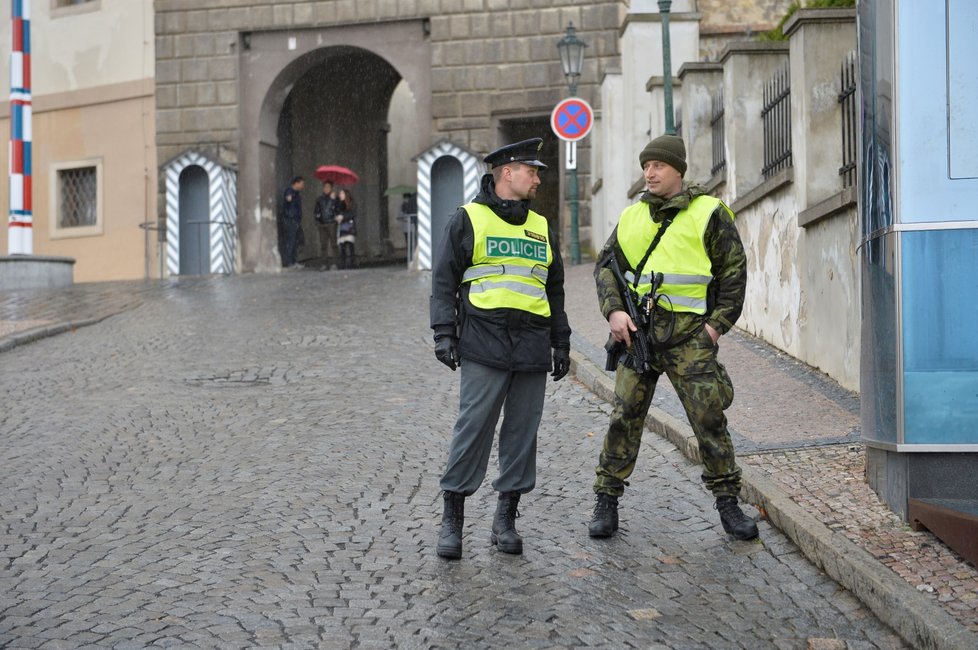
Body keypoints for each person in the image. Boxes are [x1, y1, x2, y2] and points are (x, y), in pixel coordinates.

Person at [588, 134, 759, 541]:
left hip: (689, 339)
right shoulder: (631, 217)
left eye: (659, 165)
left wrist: (714, 328)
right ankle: (606, 499)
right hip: (638, 336)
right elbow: (606, 268)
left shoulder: (709, 213)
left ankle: (729, 503)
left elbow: (734, 275)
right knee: (623, 417)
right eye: (646, 165)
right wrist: (614, 311)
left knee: (709, 420)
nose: (650, 172)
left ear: (678, 170)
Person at [429, 137, 571, 559]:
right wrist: (443, 334)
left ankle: (505, 519)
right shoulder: (467, 219)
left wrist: (561, 343)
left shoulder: (542, 227)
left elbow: (555, 289)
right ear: (507, 172)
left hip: (531, 345)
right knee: (473, 429)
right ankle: (452, 518)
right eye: (532, 171)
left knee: (521, 434)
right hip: (483, 341)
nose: (538, 179)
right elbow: (443, 281)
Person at [313, 180, 339, 269]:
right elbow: (316, 211)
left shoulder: (335, 198)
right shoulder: (319, 199)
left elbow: (338, 209)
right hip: (322, 223)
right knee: (323, 244)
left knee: (333, 244)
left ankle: (334, 263)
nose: (326, 189)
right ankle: (324, 263)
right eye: (325, 187)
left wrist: (333, 200)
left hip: (331, 223)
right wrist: (317, 221)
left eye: (328, 187)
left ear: (331, 188)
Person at [281, 175, 305, 268]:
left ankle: (293, 261)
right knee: (291, 241)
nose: (303, 186)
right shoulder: (290, 191)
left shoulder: (296, 193)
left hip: (295, 220)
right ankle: (289, 262)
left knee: (295, 241)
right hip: (290, 220)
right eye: (302, 184)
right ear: (297, 183)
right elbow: (288, 200)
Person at [334, 188, 357, 269]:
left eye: (342, 194)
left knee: (350, 246)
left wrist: (343, 217)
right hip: (342, 227)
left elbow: (352, 214)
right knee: (342, 246)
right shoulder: (339, 203)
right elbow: (335, 211)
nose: (340, 195)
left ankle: (352, 263)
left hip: (349, 226)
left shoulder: (351, 203)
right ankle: (343, 263)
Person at [396, 192, 418, 260]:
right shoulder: (403, 206)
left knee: (412, 242)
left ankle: (412, 256)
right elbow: (400, 216)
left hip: (410, 227)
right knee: (410, 242)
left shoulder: (410, 205)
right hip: (408, 227)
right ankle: (411, 256)